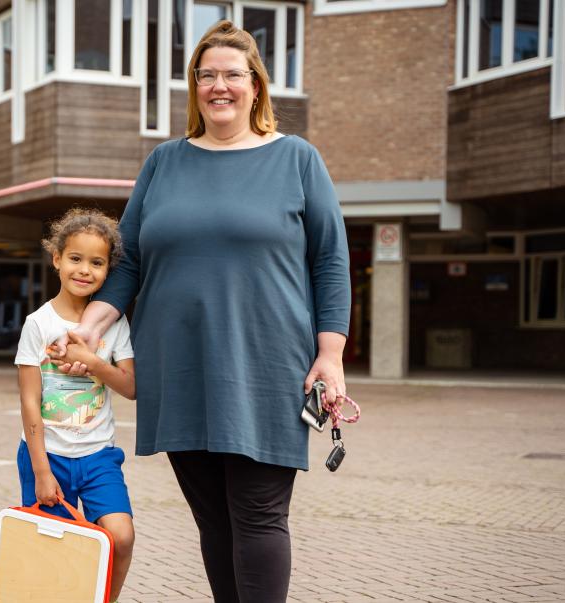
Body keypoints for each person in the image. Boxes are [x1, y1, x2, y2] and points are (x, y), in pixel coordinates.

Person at [54, 20, 352, 603]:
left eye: (233, 75)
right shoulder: (165, 162)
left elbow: (331, 263)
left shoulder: (296, 159)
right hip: (180, 366)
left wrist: (331, 356)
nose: (220, 86)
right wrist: (85, 329)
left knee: (259, 514)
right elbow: (131, 261)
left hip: (265, 365)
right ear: (194, 87)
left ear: (256, 86)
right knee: (214, 521)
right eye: (207, 75)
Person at [14, 208, 137, 602]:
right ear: (57, 259)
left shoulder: (114, 324)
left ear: (108, 270)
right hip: (46, 456)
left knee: (121, 536)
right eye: (76, 258)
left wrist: (97, 362)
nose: (85, 270)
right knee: (54, 553)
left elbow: (132, 388)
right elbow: (30, 402)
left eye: (97, 263)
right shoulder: (38, 323)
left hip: (99, 456)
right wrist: (41, 472)